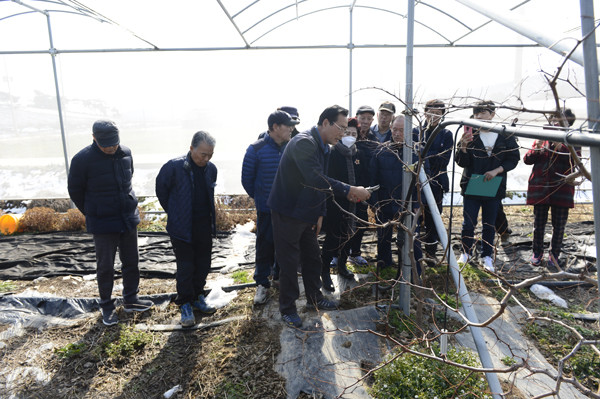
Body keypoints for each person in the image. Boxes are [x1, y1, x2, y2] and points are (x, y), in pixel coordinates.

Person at [267, 104, 371, 328]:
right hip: (288, 211)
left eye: (346, 129)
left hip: (307, 211)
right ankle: (288, 308)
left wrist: (320, 213)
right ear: (325, 123)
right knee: (289, 261)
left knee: (313, 257)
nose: (343, 134)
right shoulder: (305, 143)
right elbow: (315, 179)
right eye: (340, 128)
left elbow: (320, 185)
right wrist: (350, 190)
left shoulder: (323, 145)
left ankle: (314, 297)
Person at [68, 120, 153, 326]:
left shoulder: (125, 152)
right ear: (94, 138)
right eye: (105, 143)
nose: (111, 147)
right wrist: (92, 211)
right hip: (102, 221)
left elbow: (128, 178)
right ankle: (106, 305)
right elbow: (75, 191)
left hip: (127, 216)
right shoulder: (82, 160)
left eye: (114, 143)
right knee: (105, 266)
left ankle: (131, 299)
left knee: (131, 260)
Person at [156, 131, 218, 327]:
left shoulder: (211, 169)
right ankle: (184, 303)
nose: (206, 158)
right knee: (186, 266)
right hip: (181, 226)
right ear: (191, 149)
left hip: (203, 224)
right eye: (203, 154)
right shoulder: (174, 167)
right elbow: (161, 190)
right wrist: (175, 212)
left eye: (210, 154)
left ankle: (198, 295)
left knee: (203, 263)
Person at [242, 110, 299, 304]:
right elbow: (247, 180)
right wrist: (262, 198)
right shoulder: (256, 149)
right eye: (288, 125)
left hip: (288, 209)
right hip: (266, 210)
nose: (292, 129)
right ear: (275, 127)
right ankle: (261, 284)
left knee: (285, 246)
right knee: (264, 246)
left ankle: (280, 278)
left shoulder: (292, 147)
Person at [456, 101, 520, 272]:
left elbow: (513, 159)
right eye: (476, 113)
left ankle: (486, 256)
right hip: (472, 183)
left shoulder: (505, 134)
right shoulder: (471, 134)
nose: (478, 116)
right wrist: (463, 146)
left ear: (492, 114)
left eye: (483, 113)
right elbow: (462, 162)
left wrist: (497, 170)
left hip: (494, 184)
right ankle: (466, 252)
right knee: (468, 223)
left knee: (489, 224)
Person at [523, 109, 578, 269]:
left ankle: (554, 255)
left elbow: (576, 164)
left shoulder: (574, 139)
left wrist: (561, 148)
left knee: (559, 225)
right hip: (540, 186)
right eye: (554, 118)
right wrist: (537, 148)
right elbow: (527, 159)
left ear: (568, 123)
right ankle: (537, 253)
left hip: (562, 188)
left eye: (561, 120)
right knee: (538, 223)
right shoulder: (543, 136)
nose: (556, 122)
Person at [321, 117, 364, 292]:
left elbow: (364, 177)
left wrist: (361, 193)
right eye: (347, 132)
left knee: (349, 237)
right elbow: (327, 180)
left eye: (354, 133)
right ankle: (324, 272)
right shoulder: (332, 153)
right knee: (333, 239)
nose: (350, 136)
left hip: (356, 204)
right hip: (336, 204)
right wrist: (346, 193)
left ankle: (342, 267)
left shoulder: (358, 154)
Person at [412, 99, 454, 265]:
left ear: (442, 115)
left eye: (438, 114)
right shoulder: (416, 131)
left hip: (437, 181)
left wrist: (424, 155)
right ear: (425, 113)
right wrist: (428, 156)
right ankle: (414, 252)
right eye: (430, 112)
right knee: (415, 217)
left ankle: (430, 252)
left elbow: (443, 160)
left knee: (433, 219)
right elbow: (413, 156)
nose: (433, 116)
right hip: (416, 181)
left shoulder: (446, 134)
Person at [370, 116, 407, 268]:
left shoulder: (416, 151)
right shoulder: (381, 150)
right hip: (384, 200)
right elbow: (372, 178)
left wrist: (419, 203)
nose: (397, 133)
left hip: (407, 202)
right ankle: (384, 263)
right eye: (395, 129)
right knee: (383, 235)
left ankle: (407, 266)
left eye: (401, 130)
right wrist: (373, 202)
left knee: (409, 236)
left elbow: (423, 181)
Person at [346, 105, 378, 267]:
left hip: (363, 187)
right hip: (345, 189)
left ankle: (355, 253)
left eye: (368, 118)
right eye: (362, 118)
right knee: (342, 223)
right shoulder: (346, 137)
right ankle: (339, 254)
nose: (365, 122)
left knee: (361, 222)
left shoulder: (374, 139)